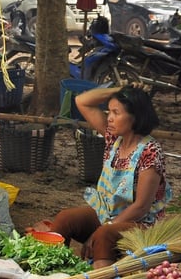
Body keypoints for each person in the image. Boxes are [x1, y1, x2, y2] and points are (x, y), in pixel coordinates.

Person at [46, 86, 171, 268]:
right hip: (109, 213)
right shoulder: (114, 139)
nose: (109, 118)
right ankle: (49, 272)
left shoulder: (150, 151)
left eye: (116, 112)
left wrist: (104, 227)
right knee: (66, 218)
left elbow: (141, 207)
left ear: (135, 116)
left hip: (141, 223)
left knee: (104, 236)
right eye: (108, 111)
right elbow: (82, 100)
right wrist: (122, 89)